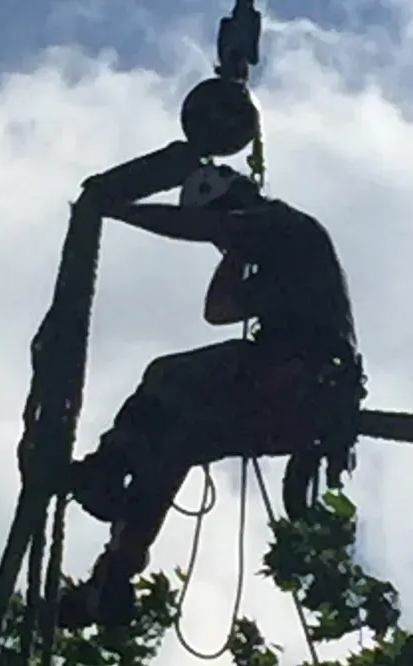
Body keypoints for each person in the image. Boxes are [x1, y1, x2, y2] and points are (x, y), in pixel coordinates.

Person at [57, 162, 362, 630]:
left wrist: (118, 210)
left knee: (166, 376)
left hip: (303, 375)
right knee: (174, 446)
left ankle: (109, 465)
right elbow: (219, 311)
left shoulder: (285, 225)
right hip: (292, 401)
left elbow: (206, 227)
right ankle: (113, 574)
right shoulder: (278, 262)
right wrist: (235, 257)